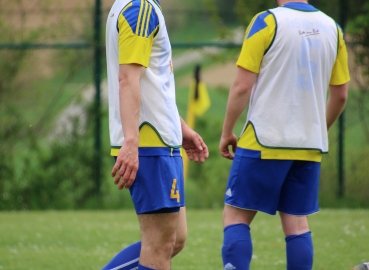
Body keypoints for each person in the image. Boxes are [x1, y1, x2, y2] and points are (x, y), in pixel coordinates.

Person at [219, 0, 350, 269]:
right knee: (298, 224)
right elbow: (340, 95)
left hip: (264, 139)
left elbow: (242, 86)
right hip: (309, 145)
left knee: (235, 218)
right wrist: (315, 130)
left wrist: (227, 131)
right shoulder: (334, 29)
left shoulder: (267, 21)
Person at [103, 0, 209, 269]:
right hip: (150, 145)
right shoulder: (140, 8)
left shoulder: (140, 6)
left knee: (174, 240)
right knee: (159, 246)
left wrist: (180, 127)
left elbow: (153, 83)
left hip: (159, 140)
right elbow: (127, 79)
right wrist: (131, 141)